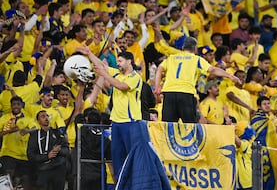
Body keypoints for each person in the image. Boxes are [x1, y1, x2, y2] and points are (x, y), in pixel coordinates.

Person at [76, 47, 142, 180]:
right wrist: (90, 54)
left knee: (131, 157)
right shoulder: (117, 73)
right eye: (117, 61)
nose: (118, 64)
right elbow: (102, 66)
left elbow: (121, 86)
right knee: (116, 157)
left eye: (120, 61)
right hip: (116, 123)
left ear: (129, 62)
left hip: (130, 122)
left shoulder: (135, 77)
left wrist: (105, 75)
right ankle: (119, 185)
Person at [154, 37, 240, 123]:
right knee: (189, 126)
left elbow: (159, 70)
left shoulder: (171, 58)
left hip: (169, 93)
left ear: (183, 47)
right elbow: (213, 70)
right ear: (195, 49)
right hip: (186, 93)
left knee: (168, 126)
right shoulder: (196, 59)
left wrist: (157, 86)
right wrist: (230, 75)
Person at [27, 110, 69, 190]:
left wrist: (59, 150)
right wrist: (47, 156)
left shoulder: (57, 133)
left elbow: (66, 150)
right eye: (43, 116)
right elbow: (30, 155)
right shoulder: (34, 136)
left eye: (47, 116)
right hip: (43, 169)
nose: (46, 118)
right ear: (38, 121)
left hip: (58, 169)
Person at [0, 96, 36, 189]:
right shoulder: (4, 118)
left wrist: (27, 131)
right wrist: (10, 131)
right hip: (8, 152)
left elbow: (35, 128)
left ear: (21, 106)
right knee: (8, 175)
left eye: (18, 104)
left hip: (23, 154)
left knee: (25, 178)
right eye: (13, 104)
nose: (16, 106)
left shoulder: (28, 118)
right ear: (11, 106)